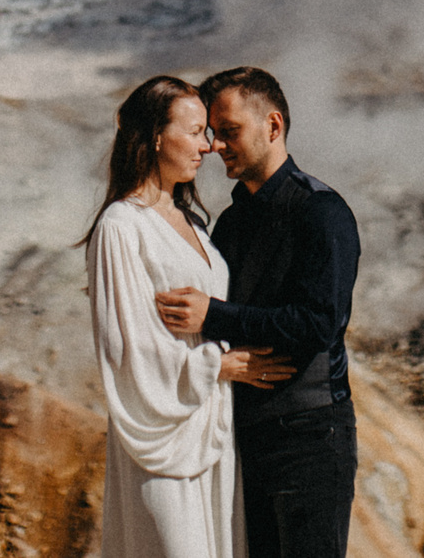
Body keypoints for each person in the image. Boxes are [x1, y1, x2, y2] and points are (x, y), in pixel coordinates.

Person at [86, 75, 296, 558]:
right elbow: (125, 346)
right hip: (160, 438)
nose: (208, 146)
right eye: (196, 131)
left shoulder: (195, 226)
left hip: (213, 430)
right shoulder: (121, 227)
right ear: (156, 137)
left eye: (210, 133)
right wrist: (217, 367)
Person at [155, 68, 361, 558]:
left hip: (310, 437)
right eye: (211, 134)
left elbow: (317, 324)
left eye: (230, 132)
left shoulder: (321, 212)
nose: (217, 147)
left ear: (272, 126)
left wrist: (214, 316)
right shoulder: (230, 223)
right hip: (244, 439)